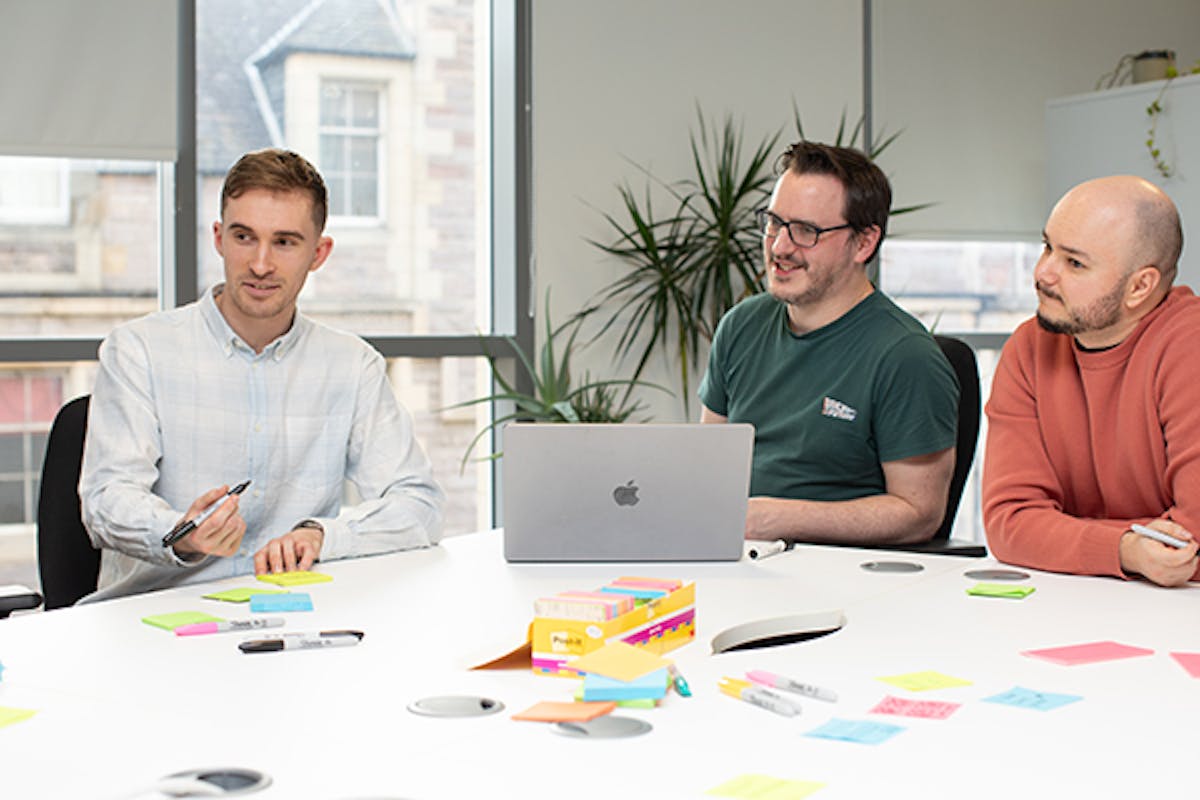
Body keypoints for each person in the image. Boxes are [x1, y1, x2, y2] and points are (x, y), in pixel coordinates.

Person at [79, 148, 445, 602]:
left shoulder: (352, 366)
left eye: (285, 242)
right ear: (218, 238)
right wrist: (181, 533)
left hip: (295, 617)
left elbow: (419, 504)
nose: (260, 264)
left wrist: (322, 536)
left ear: (319, 252)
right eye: (244, 237)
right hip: (157, 617)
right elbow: (105, 498)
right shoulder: (140, 351)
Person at [699, 141, 959, 546]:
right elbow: (707, 465)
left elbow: (918, 514)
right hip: (735, 555)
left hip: (839, 575)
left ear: (863, 243)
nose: (780, 247)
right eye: (774, 223)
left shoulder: (906, 356)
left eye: (806, 231)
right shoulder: (740, 327)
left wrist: (775, 518)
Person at [983, 175, 1200, 587]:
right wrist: (1125, 549)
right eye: (1048, 247)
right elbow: (1009, 523)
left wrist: (1068, 538)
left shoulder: (1190, 345)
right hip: (1085, 601)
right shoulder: (1029, 347)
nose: (1044, 273)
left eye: (1074, 263)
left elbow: (1192, 543)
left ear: (1140, 286)